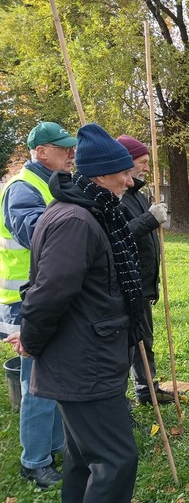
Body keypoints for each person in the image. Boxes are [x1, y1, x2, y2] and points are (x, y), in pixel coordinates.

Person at [17, 123, 141, 502]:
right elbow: (49, 292)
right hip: (84, 362)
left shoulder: (89, 211)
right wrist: (31, 340)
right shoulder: (76, 220)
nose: (129, 181)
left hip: (87, 354)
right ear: (102, 175)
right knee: (116, 460)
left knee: (82, 458)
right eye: (124, 172)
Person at [0, 122, 75, 489]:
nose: (71, 153)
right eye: (64, 148)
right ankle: (34, 460)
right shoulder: (21, 189)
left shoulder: (51, 183)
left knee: (53, 376)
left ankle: (56, 443)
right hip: (23, 302)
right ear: (41, 152)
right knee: (37, 384)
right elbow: (36, 234)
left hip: (44, 295)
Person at [117, 134, 175, 406]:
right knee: (128, 345)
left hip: (143, 283)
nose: (147, 168)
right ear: (126, 162)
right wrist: (149, 219)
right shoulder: (115, 197)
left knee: (144, 340)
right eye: (142, 162)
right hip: (126, 283)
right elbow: (118, 237)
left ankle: (147, 388)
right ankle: (120, 401)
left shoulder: (136, 194)